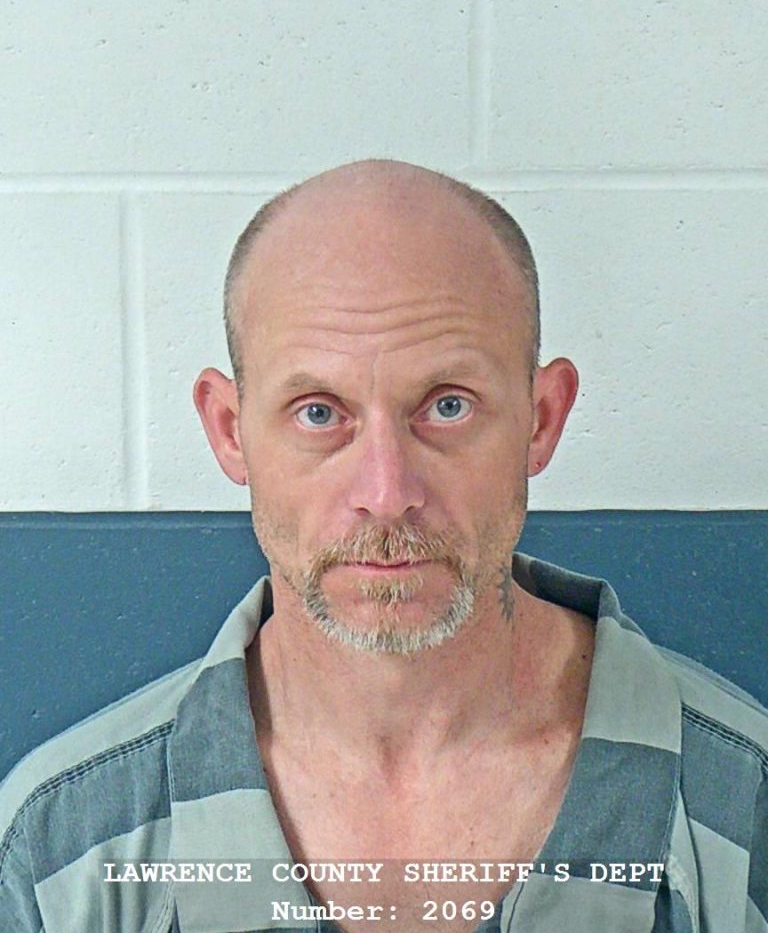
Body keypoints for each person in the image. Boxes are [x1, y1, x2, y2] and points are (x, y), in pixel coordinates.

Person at [0, 159, 765, 933]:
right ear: (230, 432)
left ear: (541, 419)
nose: (387, 490)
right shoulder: (60, 854)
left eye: (448, 406)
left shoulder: (745, 812)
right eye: (318, 413)